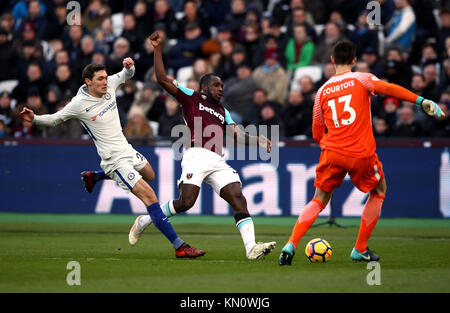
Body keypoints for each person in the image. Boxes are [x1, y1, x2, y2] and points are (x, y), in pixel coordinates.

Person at [278, 40, 445, 266]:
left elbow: (317, 133)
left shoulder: (322, 92)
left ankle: (291, 244)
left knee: (319, 199)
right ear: (355, 61)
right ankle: (359, 248)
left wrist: (331, 145)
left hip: (332, 152)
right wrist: (420, 100)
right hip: (361, 153)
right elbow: (389, 88)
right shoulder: (362, 78)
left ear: (332, 60)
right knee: (379, 190)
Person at [19, 58, 205, 259]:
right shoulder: (78, 104)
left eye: (105, 77)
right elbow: (55, 119)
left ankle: (96, 177)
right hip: (114, 161)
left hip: (126, 148)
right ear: (88, 82)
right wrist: (35, 118)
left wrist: (130, 66)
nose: (105, 82)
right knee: (150, 197)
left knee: (150, 174)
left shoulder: (110, 85)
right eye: (100, 79)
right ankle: (180, 247)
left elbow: (127, 75)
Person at [128, 31, 276, 260]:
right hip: (196, 156)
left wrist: (259, 139)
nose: (221, 88)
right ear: (204, 87)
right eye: (217, 85)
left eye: (222, 85)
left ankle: (251, 248)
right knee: (186, 202)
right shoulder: (191, 97)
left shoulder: (222, 110)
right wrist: (158, 48)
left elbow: (237, 135)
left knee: (238, 196)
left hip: (217, 159)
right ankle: (145, 219)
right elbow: (162, 79)